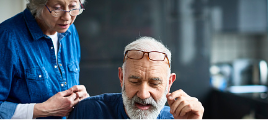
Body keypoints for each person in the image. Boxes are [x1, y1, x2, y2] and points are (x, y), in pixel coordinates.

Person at [0, 0, 89, 120]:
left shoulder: (70, 30)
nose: (67, 17)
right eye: (57, 8)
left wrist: (80, 100)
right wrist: (44, 109)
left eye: (73, 7)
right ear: (38, 4)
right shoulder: (6, 37)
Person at [68, 36, 204, 120]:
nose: (143, 95)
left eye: (154, 83)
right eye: (134, 81)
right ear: (121, 77)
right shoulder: (88, 112)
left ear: (169, 83)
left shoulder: (179, 118)